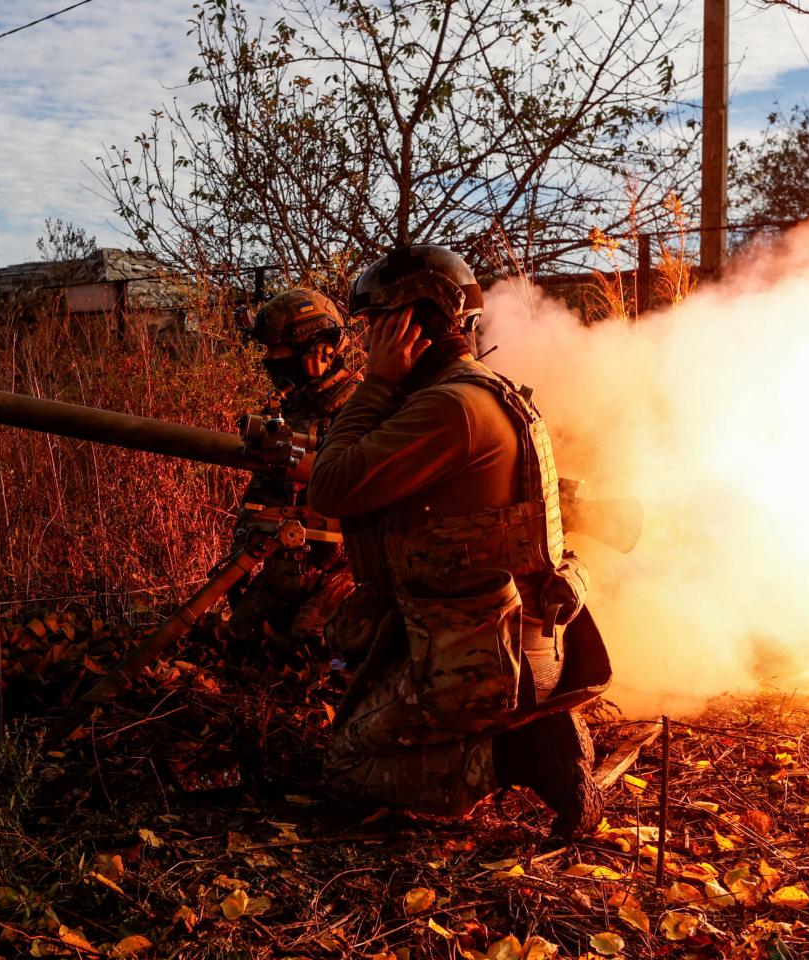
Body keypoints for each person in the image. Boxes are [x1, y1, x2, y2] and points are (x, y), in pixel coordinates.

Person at [305, 246, 611, 840]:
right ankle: (515, 731)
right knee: (360, 707)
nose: (368, 343)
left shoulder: (449, 408)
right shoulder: (479, 391)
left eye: (377, 327)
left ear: (410, 325)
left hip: (483, 660)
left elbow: (331, 485)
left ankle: (524, 754)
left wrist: (376, 384)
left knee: (346, 764)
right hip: (505, 642)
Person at [222, 289, 361, 655]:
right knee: (239, 638)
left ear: (319, 353)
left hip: (342, 572)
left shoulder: (360, 410)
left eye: (277, 351)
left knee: (308, 650)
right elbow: (264, 492)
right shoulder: (294, 404)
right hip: (286, 567)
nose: (269, 360)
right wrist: (240, 554)